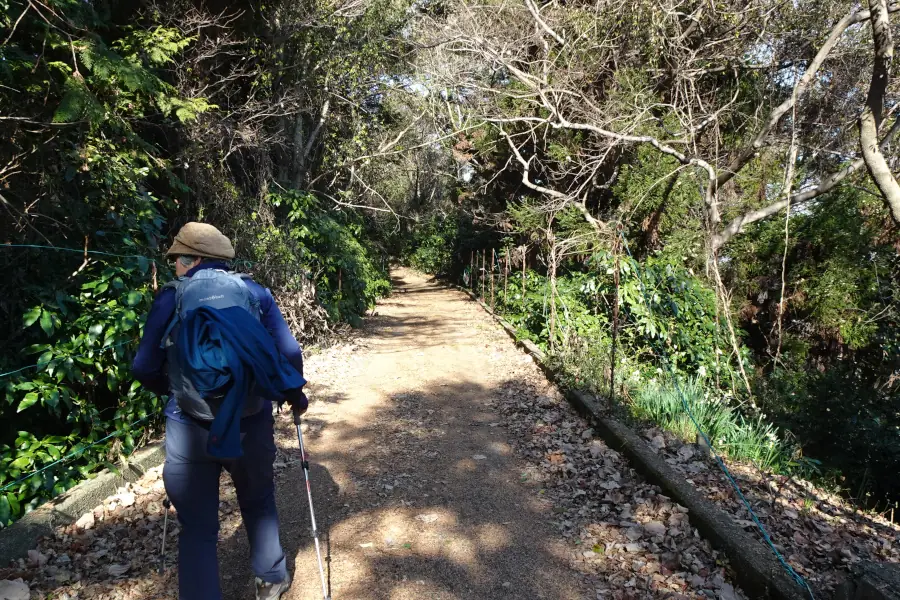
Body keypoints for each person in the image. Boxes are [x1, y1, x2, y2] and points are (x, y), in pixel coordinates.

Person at [132, 222, 306, 600]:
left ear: (193, 259)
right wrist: (293, 395)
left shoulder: (171, 297)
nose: (174, 264)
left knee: (197, 527)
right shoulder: (254, 293)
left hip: (188, 424)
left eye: (177, 258)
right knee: (258, 499)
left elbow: (142, 366)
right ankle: (270, 579)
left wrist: (173, 389)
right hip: (249, 419)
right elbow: (290, 353)